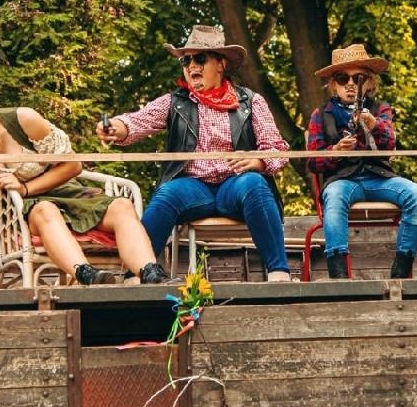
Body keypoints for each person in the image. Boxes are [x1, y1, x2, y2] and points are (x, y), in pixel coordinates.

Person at [0, 72, 157, 287]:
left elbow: (73, 165)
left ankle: (151, 274)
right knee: (45, 210)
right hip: (17, 213)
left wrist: (26, 187)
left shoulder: (22, 119)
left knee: (122, 206)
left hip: (63, 191)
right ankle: (88, 276)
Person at [97, 25, 293, 283]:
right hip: (194, 187)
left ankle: (279, 272)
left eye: (200, 58)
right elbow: (136, 122)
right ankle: (137, 272)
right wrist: (115, 128)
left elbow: (278, 149)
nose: (191, 66)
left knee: (255, 184)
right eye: (186, 60)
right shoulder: (175, 101)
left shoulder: (251, 101)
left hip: (236, 185)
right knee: (167, 193)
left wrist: (258, 161)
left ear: (221, 64)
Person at [305, 44, 417, 279]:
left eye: (358, 78)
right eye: (343, 78)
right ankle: (338, 273)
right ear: (333, 84)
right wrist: (336, 151)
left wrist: (374, 125)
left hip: (379, 179)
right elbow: (312, 162)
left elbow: (390, 146)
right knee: (334, 196)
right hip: (343, 180)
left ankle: (402, 268)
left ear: (369, 83)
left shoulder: (380, 109)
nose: (351, 84)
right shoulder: (320, 115)